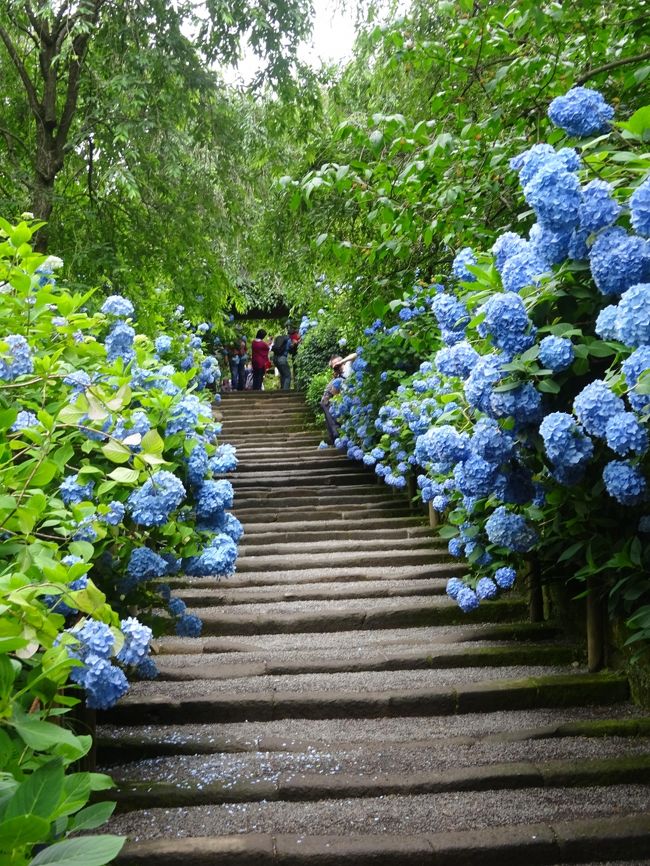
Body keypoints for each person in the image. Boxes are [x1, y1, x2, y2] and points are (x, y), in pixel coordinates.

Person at [320, 353, 357, 445]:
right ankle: (335, 434)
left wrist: (342, 361)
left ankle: (336, 434)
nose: (337, 365)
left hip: (353, 396)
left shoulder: (348, 366)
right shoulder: (336, 377)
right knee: (325, 403)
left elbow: (356, 354)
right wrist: (336, 379)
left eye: (337, 363)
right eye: (334, 365)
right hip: (344, 399)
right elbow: (335, 393)